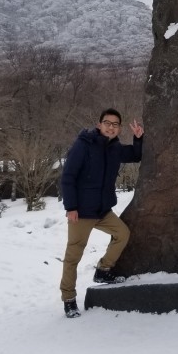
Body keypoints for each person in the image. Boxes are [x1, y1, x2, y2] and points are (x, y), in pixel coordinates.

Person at [59, 108, 144, 319]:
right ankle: (69, 299)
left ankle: (103, 270)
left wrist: (138, 138)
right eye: (107, 123)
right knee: (73, 256)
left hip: (103, 210)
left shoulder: (114, 148)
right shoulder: (84, 145)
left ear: (119, 129)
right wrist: (71, 208)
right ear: (99, 125)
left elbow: (135, 155)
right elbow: (68, 177)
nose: (111, 127)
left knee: (122, 234)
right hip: (81, 212)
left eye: (115, 125)